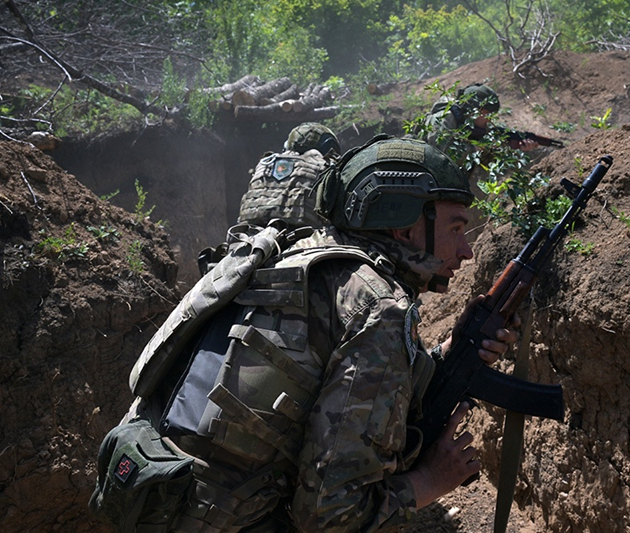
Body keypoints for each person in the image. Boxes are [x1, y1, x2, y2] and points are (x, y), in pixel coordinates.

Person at [95, 135, 519, 533]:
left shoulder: (293, 255)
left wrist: (454, 349)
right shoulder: (377, 305)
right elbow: (330, 517)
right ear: (405, 226)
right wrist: (430, 480)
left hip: (153, 494)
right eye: (457, 228)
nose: (465, 250)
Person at [421, 82, 539, 179]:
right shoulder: (444, 118)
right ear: (473, 110)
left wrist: (517, 150)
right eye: (486, 114)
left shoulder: (476, 128)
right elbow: (438, 158)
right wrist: (475, 148)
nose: (489, 119)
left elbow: (487, 163)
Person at [237, 122, 341, 230]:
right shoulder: (324, 166)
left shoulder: (264, 163)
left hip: (250, 230)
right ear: (328, 146)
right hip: (302, 233)